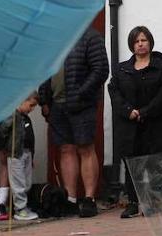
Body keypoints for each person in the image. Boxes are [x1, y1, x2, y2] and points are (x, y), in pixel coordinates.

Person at [39, 25, 109, 217]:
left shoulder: (91, 36)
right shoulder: (53, 39)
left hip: (82, 105)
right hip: (57, 105)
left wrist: (81, 94)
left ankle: (89, 199)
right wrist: (44, 99)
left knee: (86, 148)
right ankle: (70, 199)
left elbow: (101, 69)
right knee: (65, 149)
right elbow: (44, 70)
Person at [110, 25, 162, 218]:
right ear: (132, 45)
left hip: (156, 124)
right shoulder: (122, 69)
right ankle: (133, 203)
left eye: (144, 40)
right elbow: (114, 92)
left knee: (156, 165)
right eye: (137, 41)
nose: (140, 44)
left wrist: (145, 112)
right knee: (133, 167)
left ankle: (155, 202)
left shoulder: (161, 66)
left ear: (150, 42)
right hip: (130, 126)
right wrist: (128, 111)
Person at [0, 94, 40, 221]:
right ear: (21, 100)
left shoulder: (26, 118)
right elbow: (2, 131)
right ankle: (19, 209)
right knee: (18, 182)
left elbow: (31, 138)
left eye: (34, 107)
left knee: (26, 182)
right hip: (16, 153)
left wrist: (32, 156)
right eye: (30, 105)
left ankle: (23, 205)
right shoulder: (12, 116)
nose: (31, 109)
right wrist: (3, 148)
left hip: (27, 153)